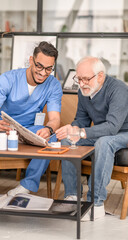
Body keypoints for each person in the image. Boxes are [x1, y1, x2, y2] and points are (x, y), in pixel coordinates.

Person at [0, 41, 63, 197]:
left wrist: (48, 129)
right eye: (39, 66)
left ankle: (26, 186)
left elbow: (55, 119)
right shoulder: (7, 79)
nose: (43, 73)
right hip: (2, 128)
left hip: (28, 129)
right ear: (31, 60)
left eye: (49, 69)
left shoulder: (53, 85)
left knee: (54, 135)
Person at [55, 56, 128, 221]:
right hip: (104, 131)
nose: (81, 84)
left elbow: (112, 127)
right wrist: (72, 129)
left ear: (100, 76)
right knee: (67, 140)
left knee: (104, 142)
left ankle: (96, 203)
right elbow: (81, 120)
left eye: (86, 79)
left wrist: (81, 133)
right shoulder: (84, 91)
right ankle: (72, 196)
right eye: (78, 79)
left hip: (123, 132)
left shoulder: (118, 90)